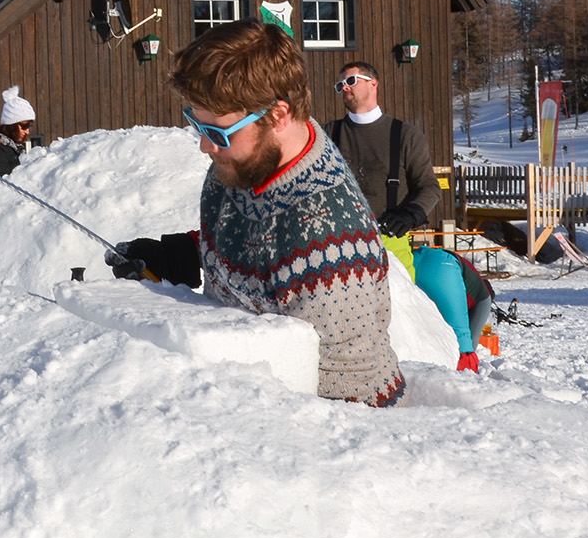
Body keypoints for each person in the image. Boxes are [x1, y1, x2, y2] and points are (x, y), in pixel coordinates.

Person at [111, 21, 404, 406]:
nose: (204, 146)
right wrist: (183, 254)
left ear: (278, 115)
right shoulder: (245, 160)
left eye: (216, 131)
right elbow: (260, 238)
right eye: (197, 124)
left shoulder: (331, 248)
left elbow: (352, 408)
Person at [324, 61, 441, 280]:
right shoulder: (329, 134)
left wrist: (409, 215)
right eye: (340, 86)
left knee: (400, 311)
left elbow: (429, 187)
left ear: (373, 84)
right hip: (339, 244)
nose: (345, 88)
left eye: (350, 81)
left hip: (390, 243)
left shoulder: (405, 135)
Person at [411, 245, 494, 374]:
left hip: (412, 259)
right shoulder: (484, 297)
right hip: (445, 268)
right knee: (463, 347)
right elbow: (468, 338)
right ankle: (464, 384)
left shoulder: (471, 280)